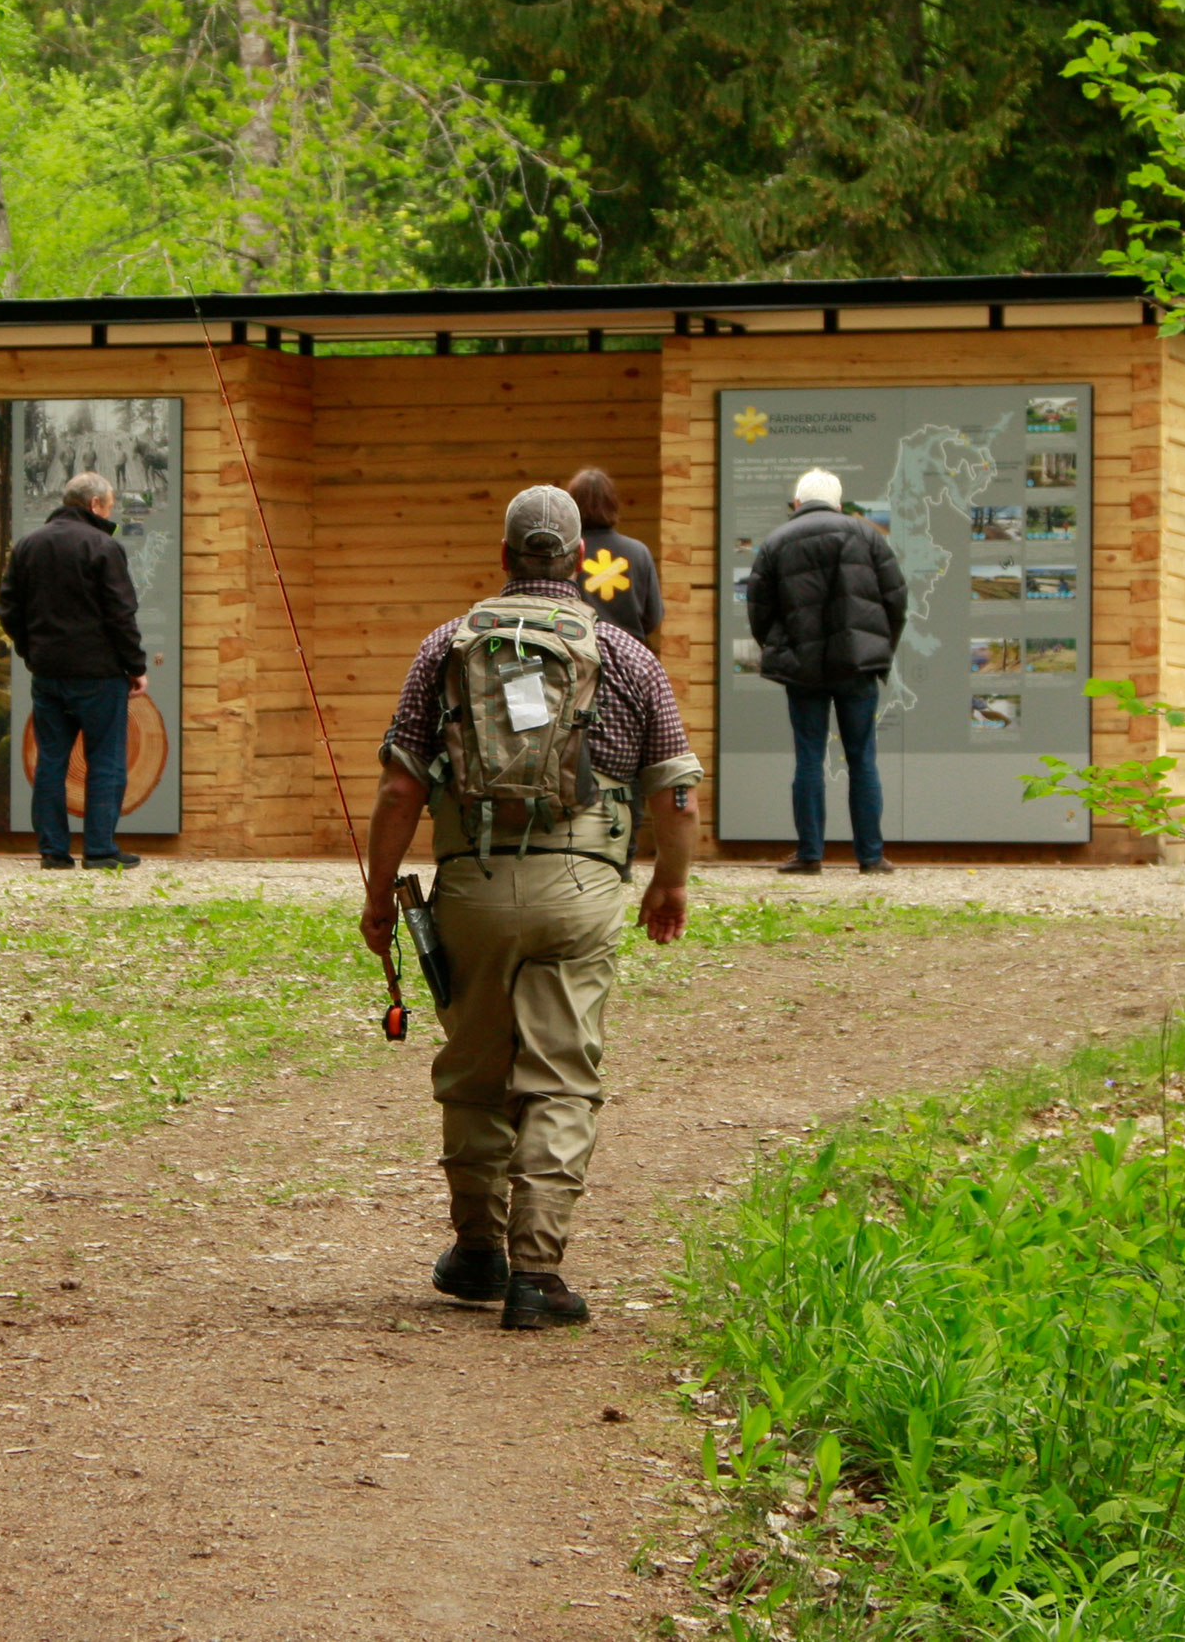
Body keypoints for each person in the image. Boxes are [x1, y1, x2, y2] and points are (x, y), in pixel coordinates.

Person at [361, 485, 702, 1330]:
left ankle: (477, 1249)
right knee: (558, 1076)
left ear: (506, 554)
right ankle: (537, 1274)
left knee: (475, 1070)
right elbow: (678, 795)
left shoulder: (445, 646)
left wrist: (377, 897)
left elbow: (401, 787)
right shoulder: (625, 655)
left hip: (470, 886)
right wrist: (671, 881)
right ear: (581, 556)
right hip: (581, 890)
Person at [745, 467, 905, 876]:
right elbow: (895, 597)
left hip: (802, 667)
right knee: (863, 759)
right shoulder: (866, 535)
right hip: (856, 665)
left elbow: (759, 609)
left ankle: (809, 854)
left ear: (797, 503)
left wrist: (780, 647)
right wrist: (879, 646)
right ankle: (871, 857)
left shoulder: (777, 541)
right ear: (838, 502)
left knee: (809, 759)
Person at [0, 470, 148, 871]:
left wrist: (33, 652)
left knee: (51, 760)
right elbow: (121, 614)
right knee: (105, 759)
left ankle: (53, 852)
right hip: (99, 675)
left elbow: (8, 609)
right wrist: (135, 666)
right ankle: (100, 850)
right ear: (96, 504)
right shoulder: (102, 545)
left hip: (47, 675)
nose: (110, 509)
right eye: (110, 503)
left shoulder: (28, 545)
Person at [565, 466, 662, 646]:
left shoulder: (565, 552)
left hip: (579, 657)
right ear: (612, 503)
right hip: (631, 657)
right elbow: (653, 617)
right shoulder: (639, 552)